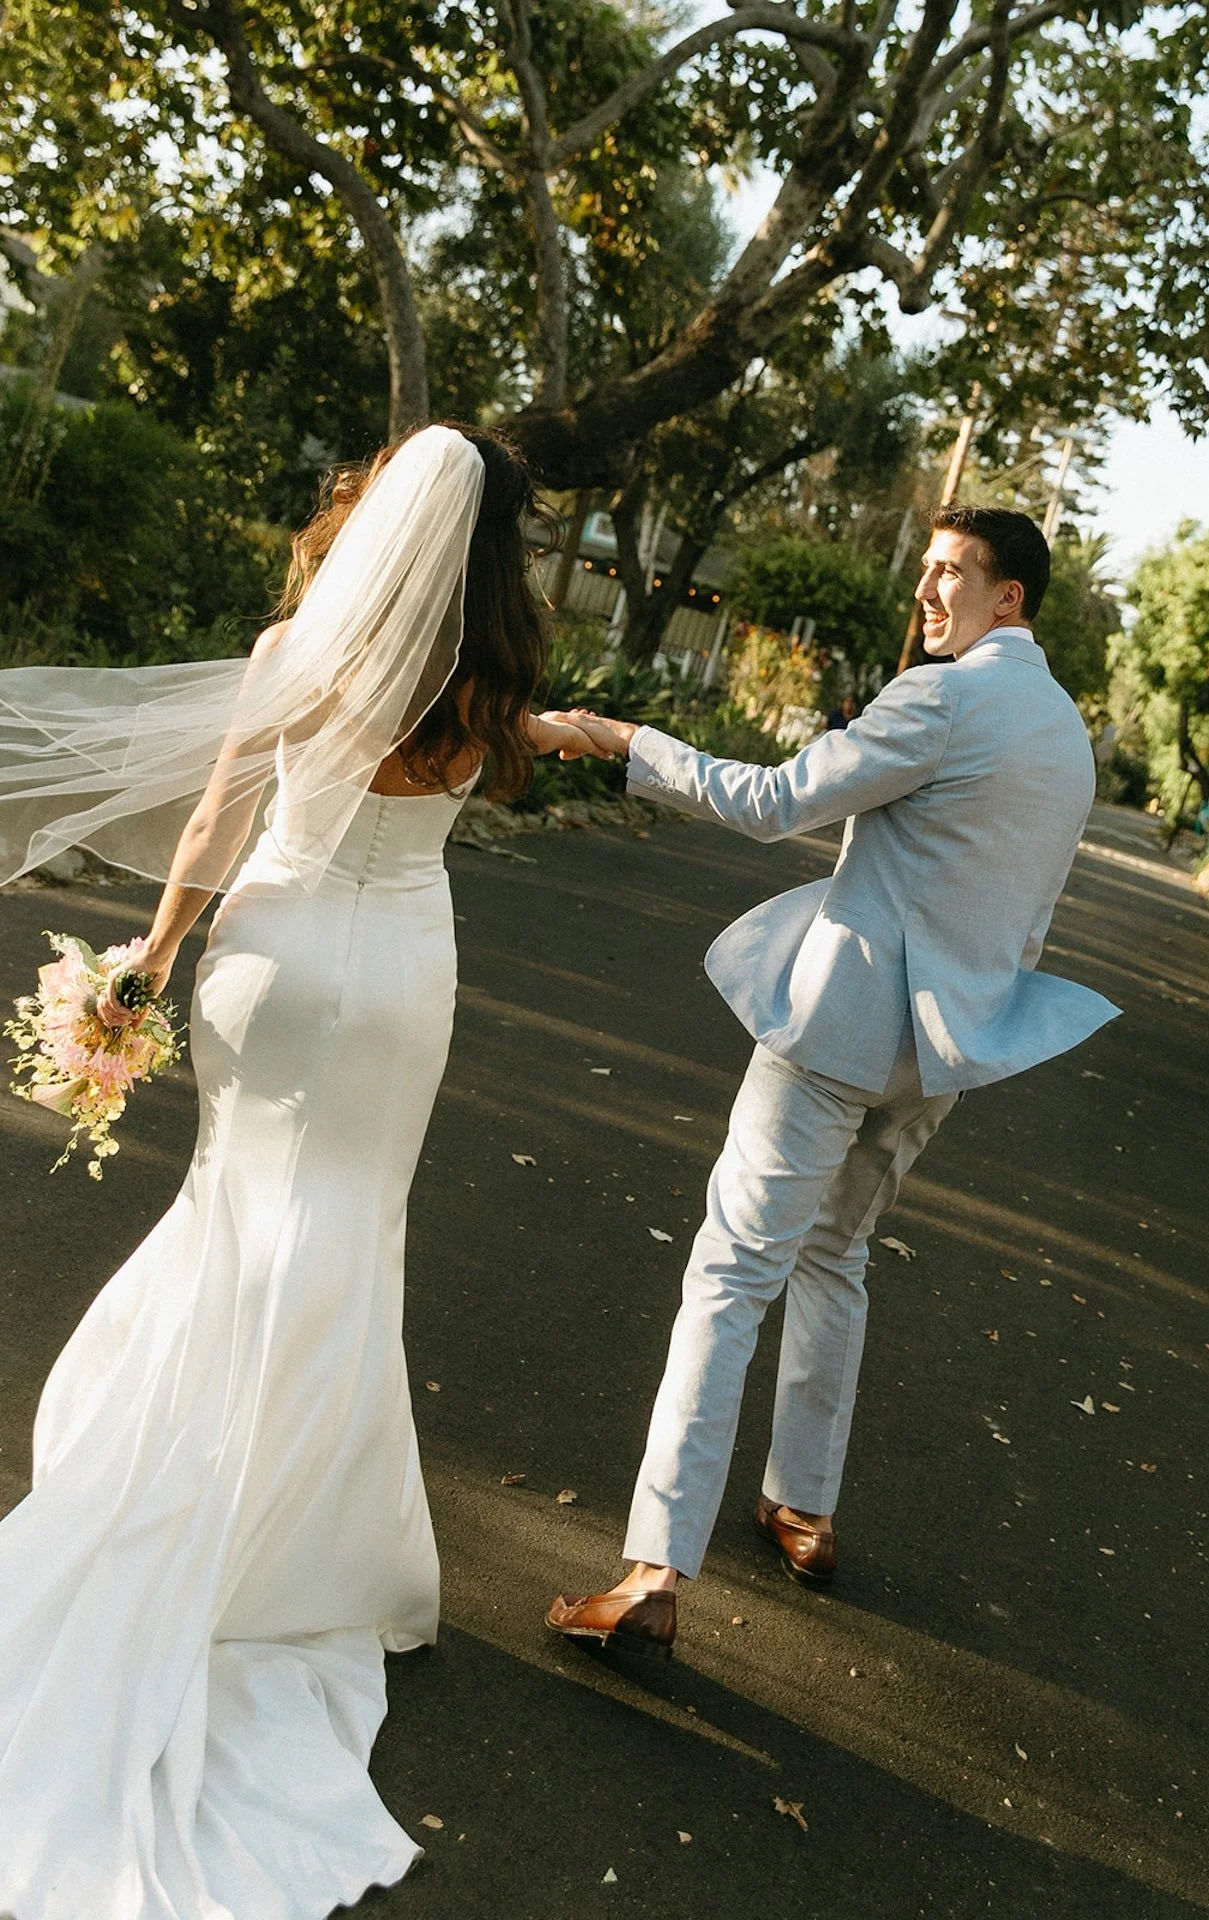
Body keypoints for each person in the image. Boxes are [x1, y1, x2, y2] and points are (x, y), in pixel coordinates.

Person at [0, 423, 592, 1917]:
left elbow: (217, 820)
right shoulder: (492, 676)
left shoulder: (301, 646)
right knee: (348, 1239)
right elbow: (518, 766)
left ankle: (181, 1478)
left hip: (273, 960)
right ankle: (307, 1548)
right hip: (404, 974)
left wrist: (148, 955)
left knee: (237, 1218)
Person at [543, 505, 1120, 1657]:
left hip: (833, 1035)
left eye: (950, 572)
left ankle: (653, 1570)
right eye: (925, 568)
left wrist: (621, 742)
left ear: (1010, 599)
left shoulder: (941, 698)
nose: (927, 588)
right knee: (836, 1257)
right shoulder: (1066, 739)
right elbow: (1031, 920)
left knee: (730, 1272)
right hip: (943, 1052)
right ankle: (800, 1504)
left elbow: (768, 804)